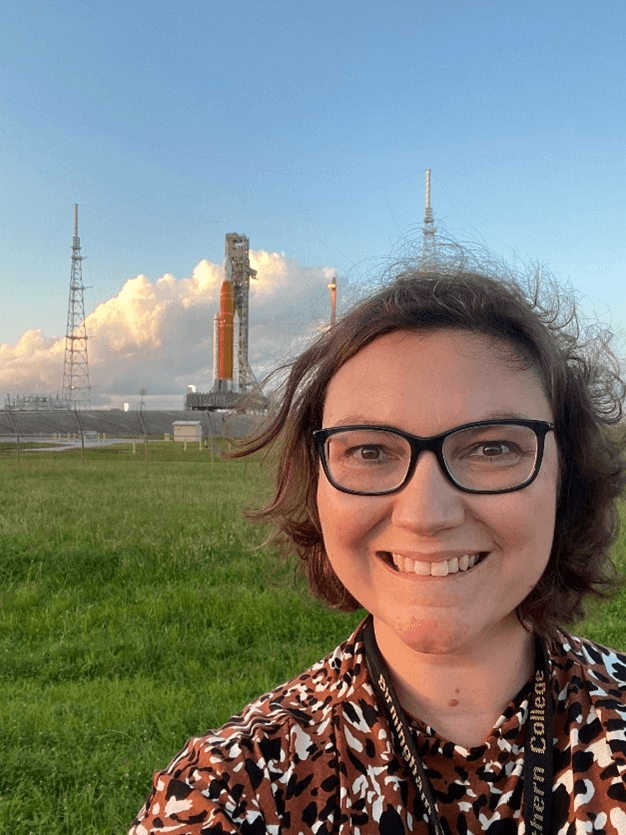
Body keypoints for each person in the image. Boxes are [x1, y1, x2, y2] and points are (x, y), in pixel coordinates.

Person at [130, 258, 626, 834]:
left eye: (492, 449)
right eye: (369, 451)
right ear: (315, 485)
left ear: (568, 479)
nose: (427, 515)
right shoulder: (231, 792)